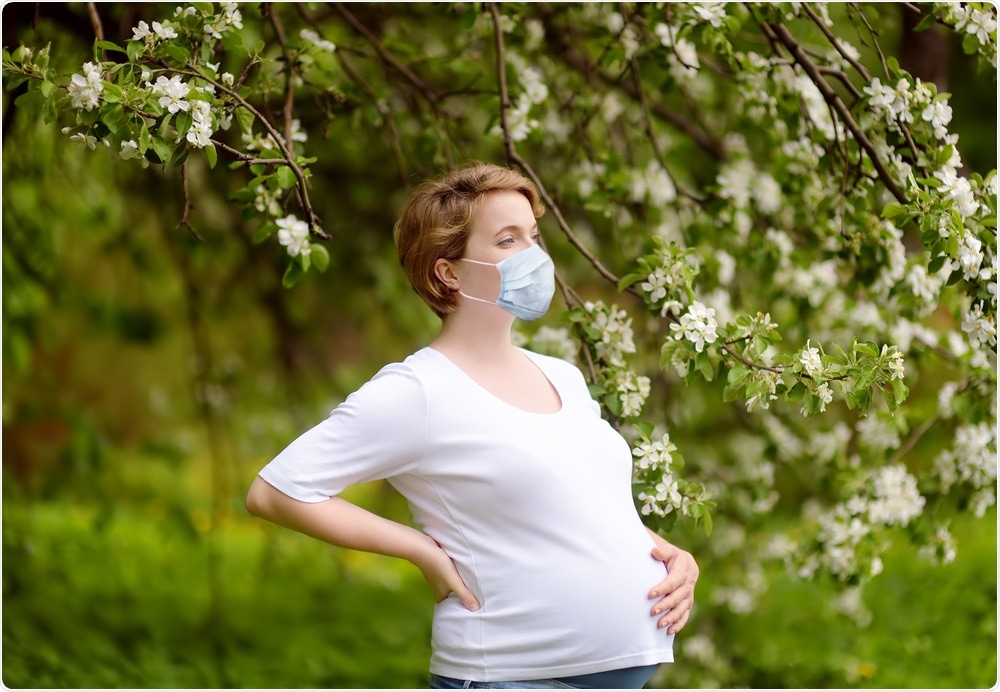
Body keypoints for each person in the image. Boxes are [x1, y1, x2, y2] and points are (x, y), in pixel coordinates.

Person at [245, 161, 699, 689]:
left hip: (621, 672)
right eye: (508, 240)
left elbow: (573, 506)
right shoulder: (418, 392)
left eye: (533, 235)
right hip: (510, 674)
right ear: (449, 272)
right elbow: (276, 491)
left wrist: (669, 557)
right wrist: (421, 550)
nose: (533, 254)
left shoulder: (563, 376)